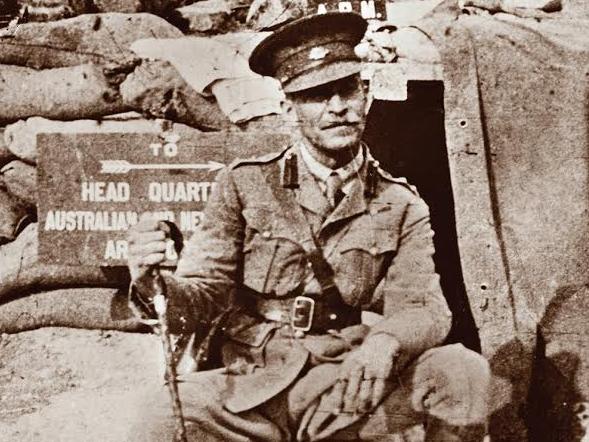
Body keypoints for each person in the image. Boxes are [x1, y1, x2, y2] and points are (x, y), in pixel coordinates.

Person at [126, 12, 490, 441]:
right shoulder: (244, 184)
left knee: (462, 371)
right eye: (316, 95)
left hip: (347, 382)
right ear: (288, 108)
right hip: (250, 383)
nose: (337, 107)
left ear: (366, 96)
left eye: (346, 90)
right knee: (162, 417)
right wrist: (154, 284)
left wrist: (384, 343)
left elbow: (423, 307)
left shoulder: (401, 203)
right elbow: (205, 290)